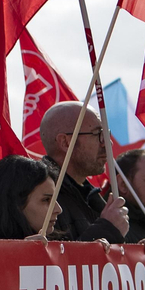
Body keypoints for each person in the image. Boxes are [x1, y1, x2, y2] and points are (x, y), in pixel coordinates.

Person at [38, 101, 129, 241]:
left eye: (106, 133)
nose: (107, 142)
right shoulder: (39, 196)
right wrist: (108, 228)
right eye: (98, 133)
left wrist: (134, 252)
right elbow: (55, 260)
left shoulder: (90, 196)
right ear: (65, 142)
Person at [0, 154, 62, 240]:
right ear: (14, 203)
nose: (58, 209)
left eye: (55, 199)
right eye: (46, 200)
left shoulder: (59, 250)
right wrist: (20, 255)